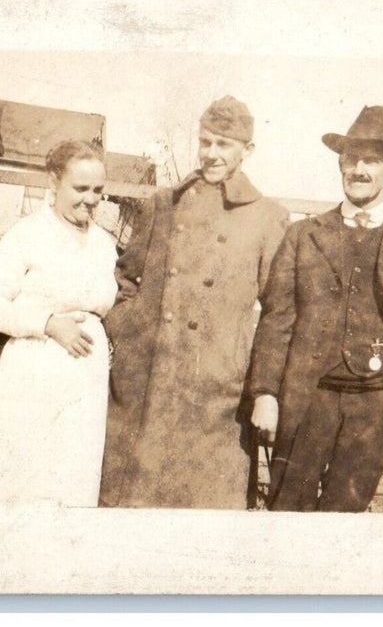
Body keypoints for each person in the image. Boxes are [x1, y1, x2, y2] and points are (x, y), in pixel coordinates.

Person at [247, 106, 383, 512]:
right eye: (351, 159)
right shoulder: (303, 237)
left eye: (371, 160)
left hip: (376, 406)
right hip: (308, 399)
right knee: (287, 510)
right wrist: (266, 393)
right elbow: (276, 321)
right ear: (341, 163)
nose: (358, 170)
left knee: (345, 517)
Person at [99, 96, 290, 509]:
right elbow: (125, 279)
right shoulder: (165, 204)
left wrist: (260, 385)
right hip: (151, 380)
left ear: (247, 151)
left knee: (204, 513)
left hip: (217, 391)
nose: (211, 154)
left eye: (224, 144)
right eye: (206, 142)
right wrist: (129, 331)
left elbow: (279, 310)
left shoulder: (267, 217)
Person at [0, 140, 117, 506]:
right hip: (32, 378)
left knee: (69, 487)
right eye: (80, 188)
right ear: (54, 182)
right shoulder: (28, 234)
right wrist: (47, 323)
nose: (90, 200)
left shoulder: (104, 245)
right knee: (19, 483)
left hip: (84, 387)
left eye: (98, 191)